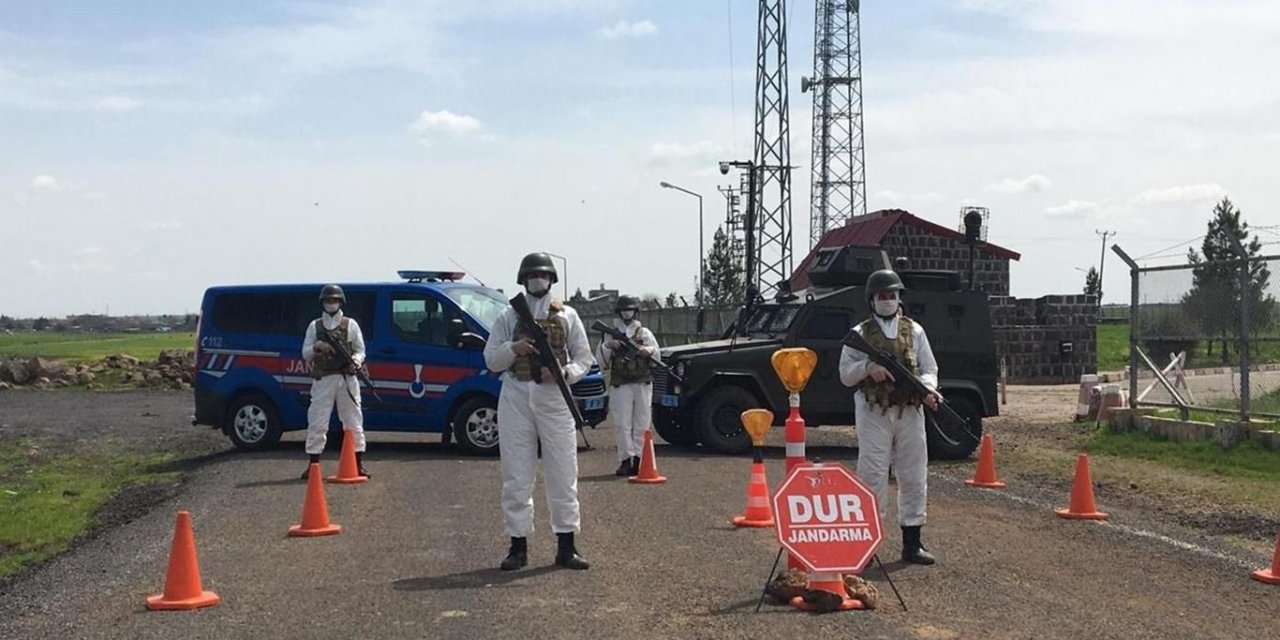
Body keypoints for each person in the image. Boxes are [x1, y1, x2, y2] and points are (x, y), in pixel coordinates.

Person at [483, 252, 595, 571]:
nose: (538, 280)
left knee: (563, 472)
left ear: (552, 279)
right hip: (516, 397)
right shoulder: (508, 316)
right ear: (523, 280)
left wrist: (564, 372)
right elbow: (491, 359)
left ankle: (566, 545)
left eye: (543, 275)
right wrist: (513, 348)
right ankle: (517, 546)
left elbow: (584, 358)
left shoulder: (568, 315)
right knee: (516, 475)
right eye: (533, 275)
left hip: (555, 398)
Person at [838, 269, 941, 565]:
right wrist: (868, 368)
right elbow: (845, 374)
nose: (888, 300)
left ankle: (912, 542)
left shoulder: (915, 331)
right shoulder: (860, 334)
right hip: (874, 412)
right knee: (872, 475)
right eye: (882, 295)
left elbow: (929, 369)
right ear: (872, 300)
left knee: (913, 474)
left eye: (892, 295)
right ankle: (867, 544)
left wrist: (928, 389)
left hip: (909, 410)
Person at [300, 284, 369, 480]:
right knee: (317, 420)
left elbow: (360, 350)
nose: (331, 303)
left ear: (341, 302)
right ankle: (313, 464)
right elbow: (305, 353)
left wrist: (355, 361)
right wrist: (317, 347)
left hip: (346, 378)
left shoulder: (350, 325)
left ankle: (358, 463)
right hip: (324, 378)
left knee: (353, 419)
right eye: (328, 300)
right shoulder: (315, 326)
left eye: (334, 300)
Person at [595, 295, 661, 477]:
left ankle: (640, 459)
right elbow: (601, 360)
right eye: (624, 310)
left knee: (642, 423)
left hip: (642, 382)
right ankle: (625, 460)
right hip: (621, 384)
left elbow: (657, 353)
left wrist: (649, 350)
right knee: (622, 424)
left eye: (630, 309)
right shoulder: (610, 333)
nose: (627, 313)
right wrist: (609, 346)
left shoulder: (644, 333)